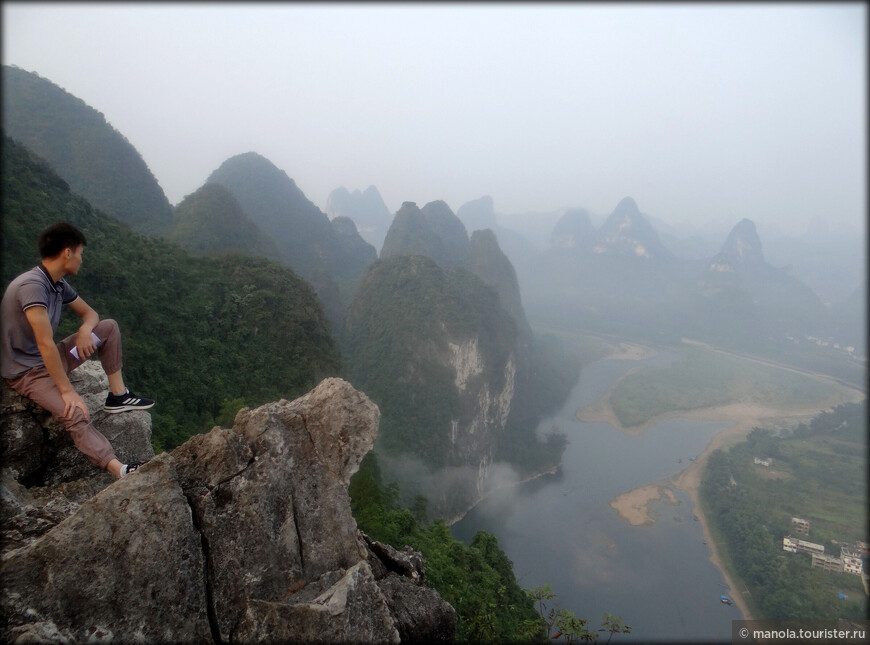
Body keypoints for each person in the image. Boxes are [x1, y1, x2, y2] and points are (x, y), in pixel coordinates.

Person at [2, 222, 154, 479]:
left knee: (107, 328)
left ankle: (118, 395)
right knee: (76, 412)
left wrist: (85, 331)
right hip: (29, 372)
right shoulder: (32, 286)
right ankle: (120, 469)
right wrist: (67, 391)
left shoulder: (58, 285)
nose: (82, 259)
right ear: (67, 252)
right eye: (80, 253)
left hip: (58, 359)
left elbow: (91, 314)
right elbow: (44, 343)